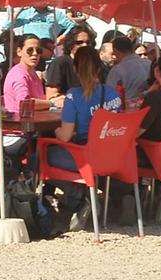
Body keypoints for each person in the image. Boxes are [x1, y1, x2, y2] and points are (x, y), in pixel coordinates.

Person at [46, 47, 122, 225]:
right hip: (113, 156)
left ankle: (78, 197)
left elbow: (65, 137)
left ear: (75, 68)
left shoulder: (73, 95)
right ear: (98, 67)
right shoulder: (112, 93)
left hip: (87, 157)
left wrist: (55, 131)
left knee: (39, 157)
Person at [2, 33, 58, 115]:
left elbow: (37, 98)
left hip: (36, 121)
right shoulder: (18, 74)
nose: (35, 53)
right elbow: (24, 103)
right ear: (19, 52)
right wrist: (52, 103)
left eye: (38, 50)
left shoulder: (31, 72)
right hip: (20, 125)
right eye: (30, 50)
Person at [45, 25, 97, 99]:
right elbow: (52, 96)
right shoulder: (59, 63)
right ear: (70, 44)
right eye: (79, 42)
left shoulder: (95, 64)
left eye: (88, 42)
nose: (85, 45)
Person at [106, 35, 150, 108]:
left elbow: (110, 96)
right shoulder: (149, 63)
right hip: (148, 107)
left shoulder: (117, 70)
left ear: (116, 51)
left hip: (127, 112)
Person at [3, 4, 69, 46]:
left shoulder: (56, 14)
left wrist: (62, 36)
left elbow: (73, 26)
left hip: (48, 54)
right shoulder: (26, 13)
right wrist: (19, 10)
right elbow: (7, 26)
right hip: (29, 52)